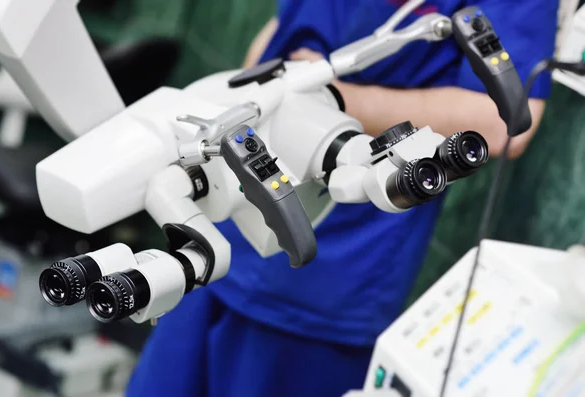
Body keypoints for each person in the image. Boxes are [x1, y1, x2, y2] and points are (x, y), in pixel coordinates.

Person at [126, 0, 558, 396]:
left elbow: (504, 120)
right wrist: (245, 96)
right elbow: (284, 27)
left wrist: (324, 98)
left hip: (328, 275)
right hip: (221, 233)